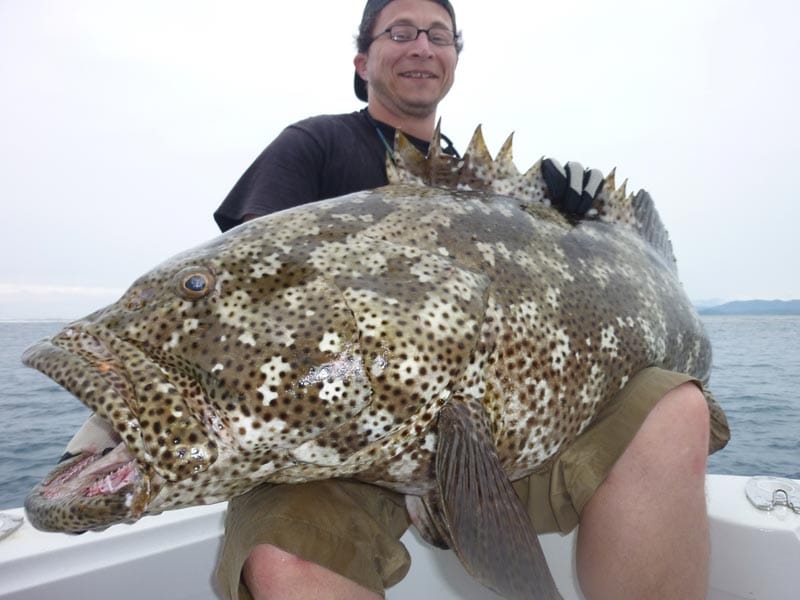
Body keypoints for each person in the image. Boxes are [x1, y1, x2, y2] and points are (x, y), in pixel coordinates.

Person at [213, 1, 729, 599]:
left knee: (678, 408)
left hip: (490, 444)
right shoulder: (315, 145)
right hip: (328, 447)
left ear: (455, 57)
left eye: (439, 35)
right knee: (286, 556)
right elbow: (250, 289)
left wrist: (579, 223)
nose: (421, 47)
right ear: (362, 60)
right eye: (400, 32)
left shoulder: (477, 189)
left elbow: (541, 320)